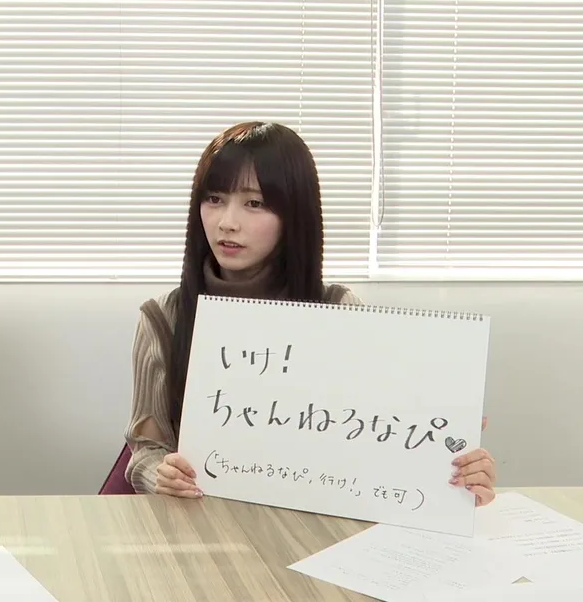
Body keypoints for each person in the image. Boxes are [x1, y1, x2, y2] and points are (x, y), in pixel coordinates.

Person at [123, 121, 497, 505]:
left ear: (294, 214)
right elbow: (145, 452)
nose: (227, 222)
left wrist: (454, 474)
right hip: (203, 521)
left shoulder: (339, 311)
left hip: (310, 523)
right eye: (214, 198)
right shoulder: (163, 318)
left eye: (254, 203)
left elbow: (383, 437)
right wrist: (161, 474)